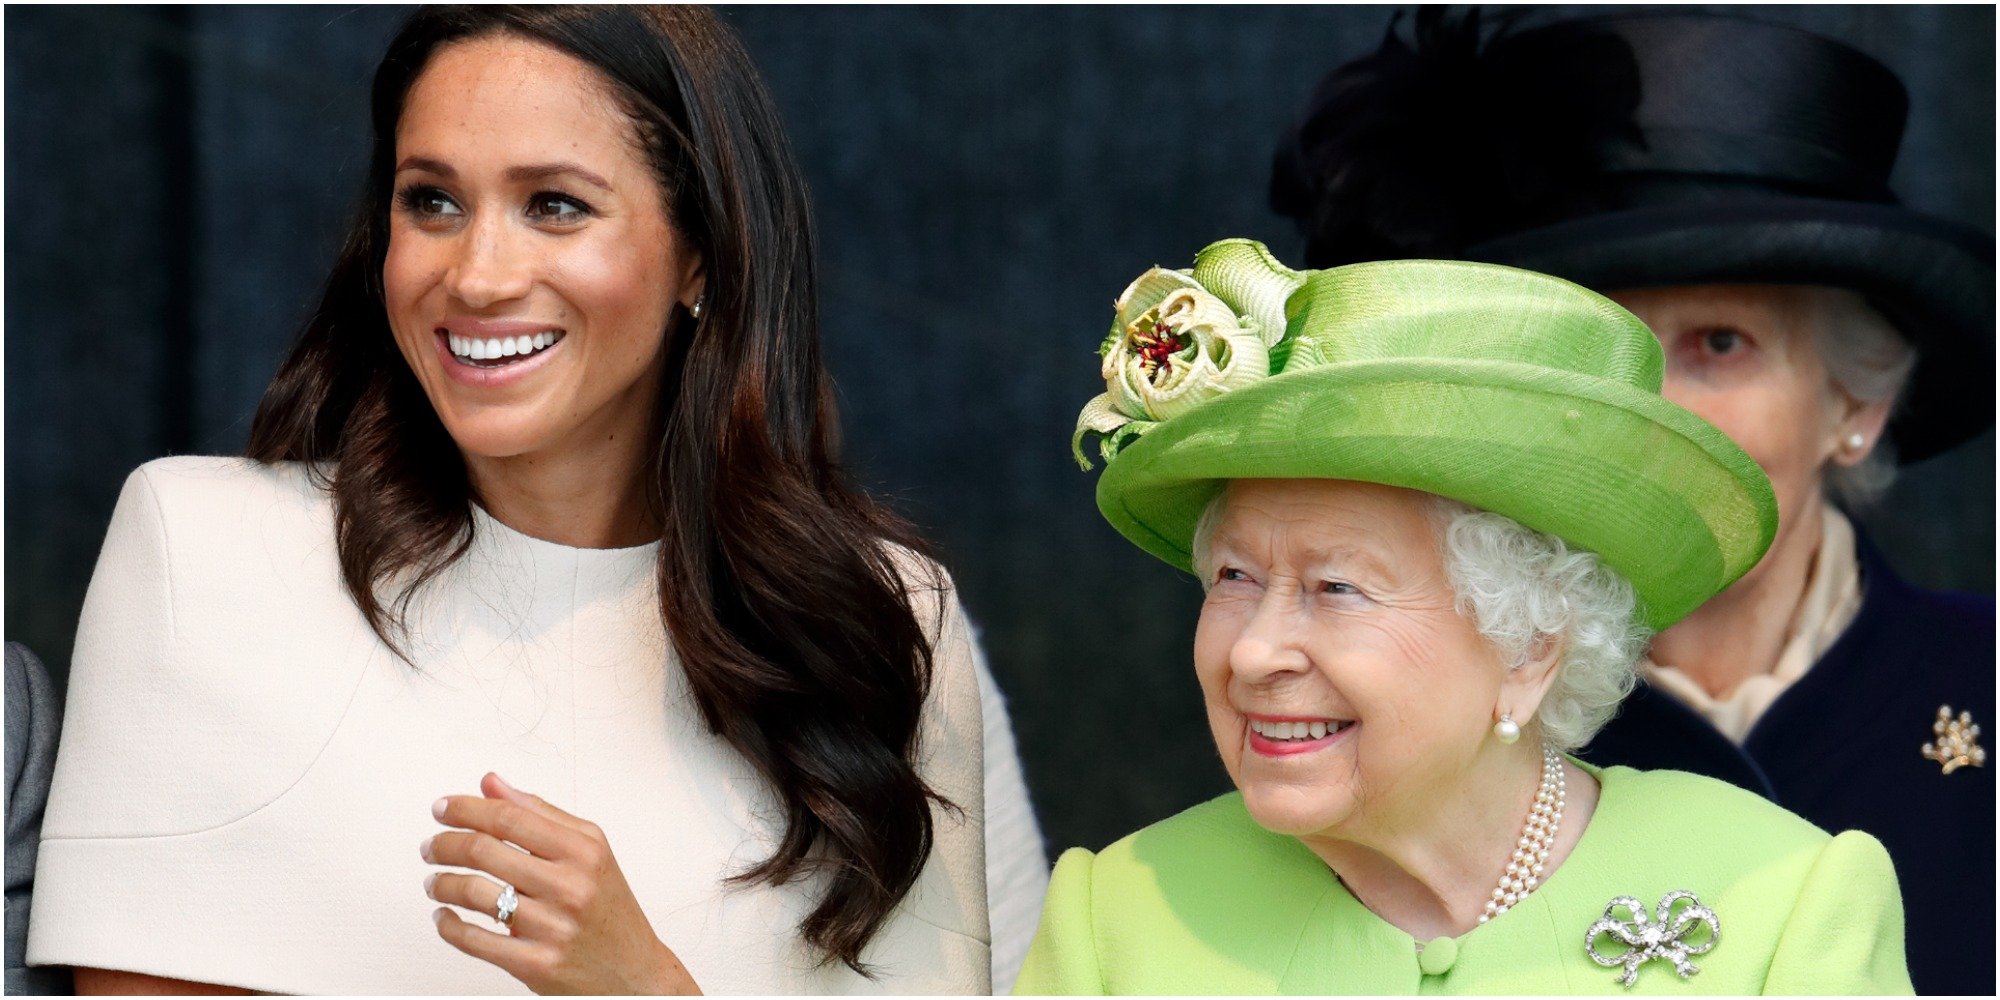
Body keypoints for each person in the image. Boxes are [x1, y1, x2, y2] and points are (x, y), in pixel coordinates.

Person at [25, 6, 1045, 993]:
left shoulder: (881, 618)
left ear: (699, 251)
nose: (477, 273)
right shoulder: (204, 552)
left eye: (554, 204)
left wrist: (637, 989)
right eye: (432, 200)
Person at [1270, 10, 1993, 993]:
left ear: (1853, 398)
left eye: (1720, 344)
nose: (1654, 414)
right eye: (1604, 349)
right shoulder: (1423, 716)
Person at [1024, 239, 1910, 994]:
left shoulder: (1785, 903)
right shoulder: (1119, 919)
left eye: (1337, 589)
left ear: (1528, 647)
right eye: (1233, 578)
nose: (1253, 652)